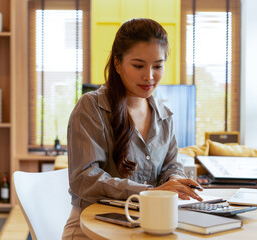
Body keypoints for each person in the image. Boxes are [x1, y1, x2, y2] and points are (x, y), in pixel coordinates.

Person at [62, 18, 202, 239]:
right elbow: (84, 178)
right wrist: (147, 193)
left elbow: (171, 165)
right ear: (117, 64)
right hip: (92, 228)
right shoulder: (92, 107)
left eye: (158, 66)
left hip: (148, 224)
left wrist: (174, 181)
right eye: (138, 66)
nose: (149, 76)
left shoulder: (164, 116)